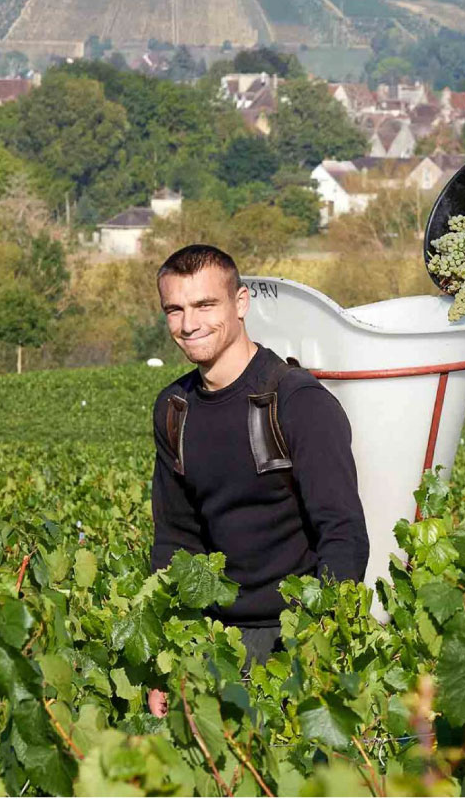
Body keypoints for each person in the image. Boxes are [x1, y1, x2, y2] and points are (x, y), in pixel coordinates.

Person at [149, 244, 370, 666]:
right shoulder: (174, 409)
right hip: (214, 641)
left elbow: (343, 534)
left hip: (296, 635)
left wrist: (319, 640)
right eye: (174, 309)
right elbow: (174, 541)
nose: (189, 324)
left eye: (205, 305)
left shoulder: (296, 401)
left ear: (241, 303)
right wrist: (169, 652)